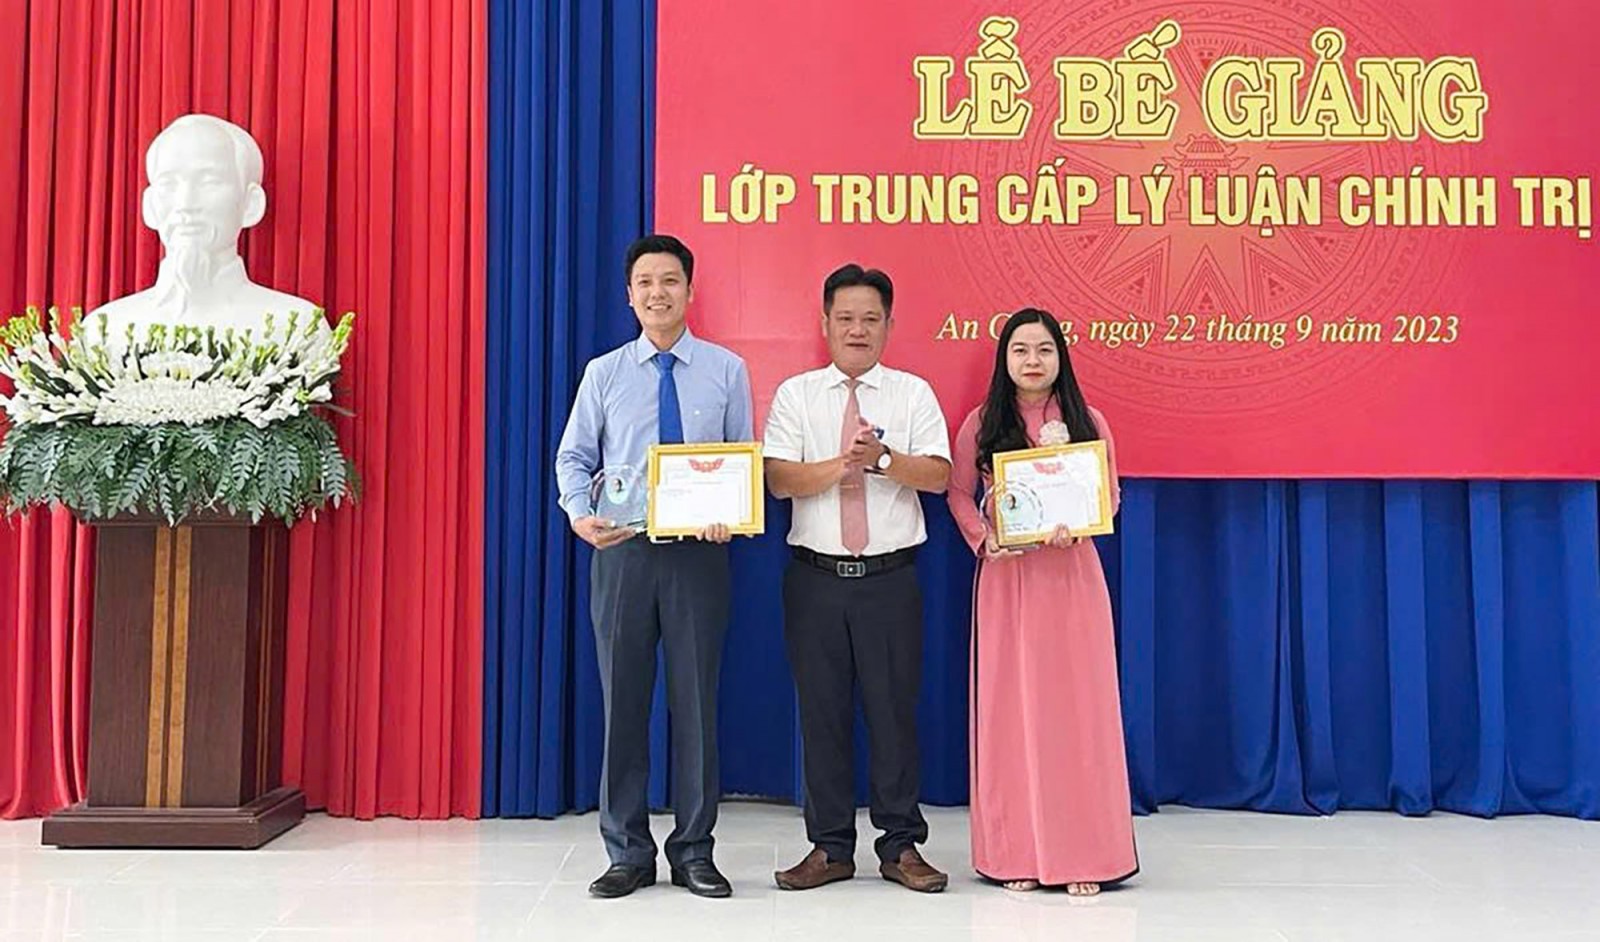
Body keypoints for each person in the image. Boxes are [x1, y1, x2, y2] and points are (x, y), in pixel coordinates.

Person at [554, 234, 753, 899]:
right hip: (624, 554)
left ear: (690, 291)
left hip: (700, 557)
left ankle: (695, 851)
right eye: (645, 282)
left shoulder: (726, 370)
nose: (657, 293)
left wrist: (732, 511)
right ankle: (627, 853)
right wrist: (579, 514)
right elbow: (573, 458)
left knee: (696, 707)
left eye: (670, 281)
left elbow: (743, 457)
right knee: (624, 705)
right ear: (629, 295)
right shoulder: (604, 373)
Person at [763, 263, 952, 893]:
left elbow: (939, 476)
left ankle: (901, 846)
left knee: (894, 714)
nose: (857, 329)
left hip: (889, 579)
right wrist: (843, 465)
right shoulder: (796, 394)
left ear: (889, 325)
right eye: (845, 318)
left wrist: (884, 460)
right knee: (822, 715)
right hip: (815, 579)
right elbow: (778, 479)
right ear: (824, 323)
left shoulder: (912, 393)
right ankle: (829, 847)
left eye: (871, 318)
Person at [946, 308, 1138, 895]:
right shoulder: (982, 422)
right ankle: (1016, 853)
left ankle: (1085, 855)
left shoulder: (1088, 420)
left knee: (1078, 713)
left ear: (1061, 357)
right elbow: (958, 493)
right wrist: (985, 537)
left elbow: (1109, 494)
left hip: (1072, 578)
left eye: (1044, 350)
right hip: (1008, 582)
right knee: (1013, 712)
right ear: (1004, 359)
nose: (1033, 361)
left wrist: (1082, 522)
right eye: (1021, 350)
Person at [91, 114, 326, 337]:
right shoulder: (104, 331)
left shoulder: (297, 329)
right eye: (169, 184)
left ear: (251, 204)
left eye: (210, 181)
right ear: (150, 206)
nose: (186, 204)